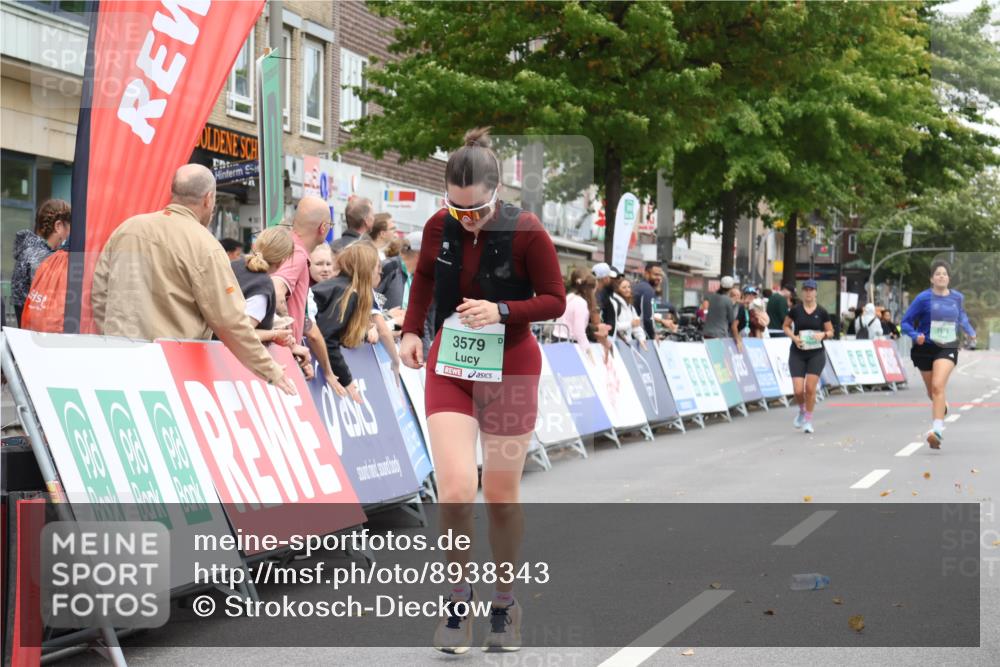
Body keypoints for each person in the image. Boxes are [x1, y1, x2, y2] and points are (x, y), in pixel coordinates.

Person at [398, 127, 565, 654]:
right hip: (453, 363)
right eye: (456, 207)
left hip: (512, 366)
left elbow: (556, 300)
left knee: (499, 495)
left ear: (497, 193)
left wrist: (503, 309)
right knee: (452, 491)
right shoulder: (436, 226)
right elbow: (424, 278)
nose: (465, 218)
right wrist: (409, 329)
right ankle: (455, 604)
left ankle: (505, 602)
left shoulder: (527, 231)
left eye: (476, 210)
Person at [91, 164, 296, 394]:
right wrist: (271, 371)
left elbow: (100, 293)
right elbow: (230, 322)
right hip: (173, 368)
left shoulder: (128, 229)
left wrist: (114, 333)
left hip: (120, 360)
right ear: (208, 199)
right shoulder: (205, 246)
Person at [900, 260, 976, 449]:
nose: (941, 276)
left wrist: (969, 330)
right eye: (938, 273)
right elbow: (905, 322)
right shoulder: (923, 298)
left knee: (937, 386)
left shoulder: (957, 298)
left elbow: (962, 316)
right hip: (925, 347)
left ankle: (937, 431)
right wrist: (915, 335)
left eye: (945, 273)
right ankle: (942, 406)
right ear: (931, 278)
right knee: (931, 391)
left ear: (949, 278)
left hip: (947, 347)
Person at [311, 243, 382, 403]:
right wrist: (347, 380)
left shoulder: (342, 288)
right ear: (366, 268)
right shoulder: (346, 293)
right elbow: (326, 339)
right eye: (377, 266)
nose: (380, 271)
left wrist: (362, 334)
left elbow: (335, 330)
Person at [272, 196, 332, 344]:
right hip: (283, 355)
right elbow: (276, 290)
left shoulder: (286, 247)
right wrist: (289, 339)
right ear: (323, 227)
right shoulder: (297, 254)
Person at [783, 279, 834, 434]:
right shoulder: (796, 310)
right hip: (798, 352)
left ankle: (808, 420)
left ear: (816, 292)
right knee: (798, 390)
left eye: (811, 290)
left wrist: (823, 335)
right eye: (806, 290)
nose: (808, 293)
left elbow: (831, 332)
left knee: (810, 388)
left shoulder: (822, 311)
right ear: (802, 292)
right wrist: (794, 337)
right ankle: (802, 410)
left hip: (816, 353)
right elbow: (785, 326)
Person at [11, 198, 71, 325]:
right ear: (58, 226)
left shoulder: (27, 253)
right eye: (69, 227)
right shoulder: (43, 259)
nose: (70, 233)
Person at [232, 227, 295, 345]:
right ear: (282, 261)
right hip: (231, 357)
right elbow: (241, 334)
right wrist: (275, 335)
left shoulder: (233, 266)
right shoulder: (262, 286)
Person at [703, 276, 742, 349]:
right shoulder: (727, 300)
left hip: (707, 333)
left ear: (720, 285)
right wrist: (738, 340)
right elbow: (732, 323)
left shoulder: (712, 297)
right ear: (731, 288)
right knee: (718, 358)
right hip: (719, 335)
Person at [633, 262, 667, 340]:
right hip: (639, 337)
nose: (658, 278)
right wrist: (653, 336)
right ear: (646, 274)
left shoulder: (640, 286)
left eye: (660, 275)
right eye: (655, 274)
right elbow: (647, 319)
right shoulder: (647, 290)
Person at [613, 278, 647, 345]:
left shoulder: (630, 307)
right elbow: (613, 325)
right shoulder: (614, 304)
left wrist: (642, 338)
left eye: (629, 287)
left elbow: (636, 326)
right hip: (616, 343)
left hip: (628, 343)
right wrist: (630, 324)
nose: (627, 290)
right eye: (624, 287)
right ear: (617, 289)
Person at [592, 262, 619, 336]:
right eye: (608, 276)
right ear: (605, 278)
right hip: (595, 339)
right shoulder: (596, 295)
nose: (610, 279)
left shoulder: (596, 293)